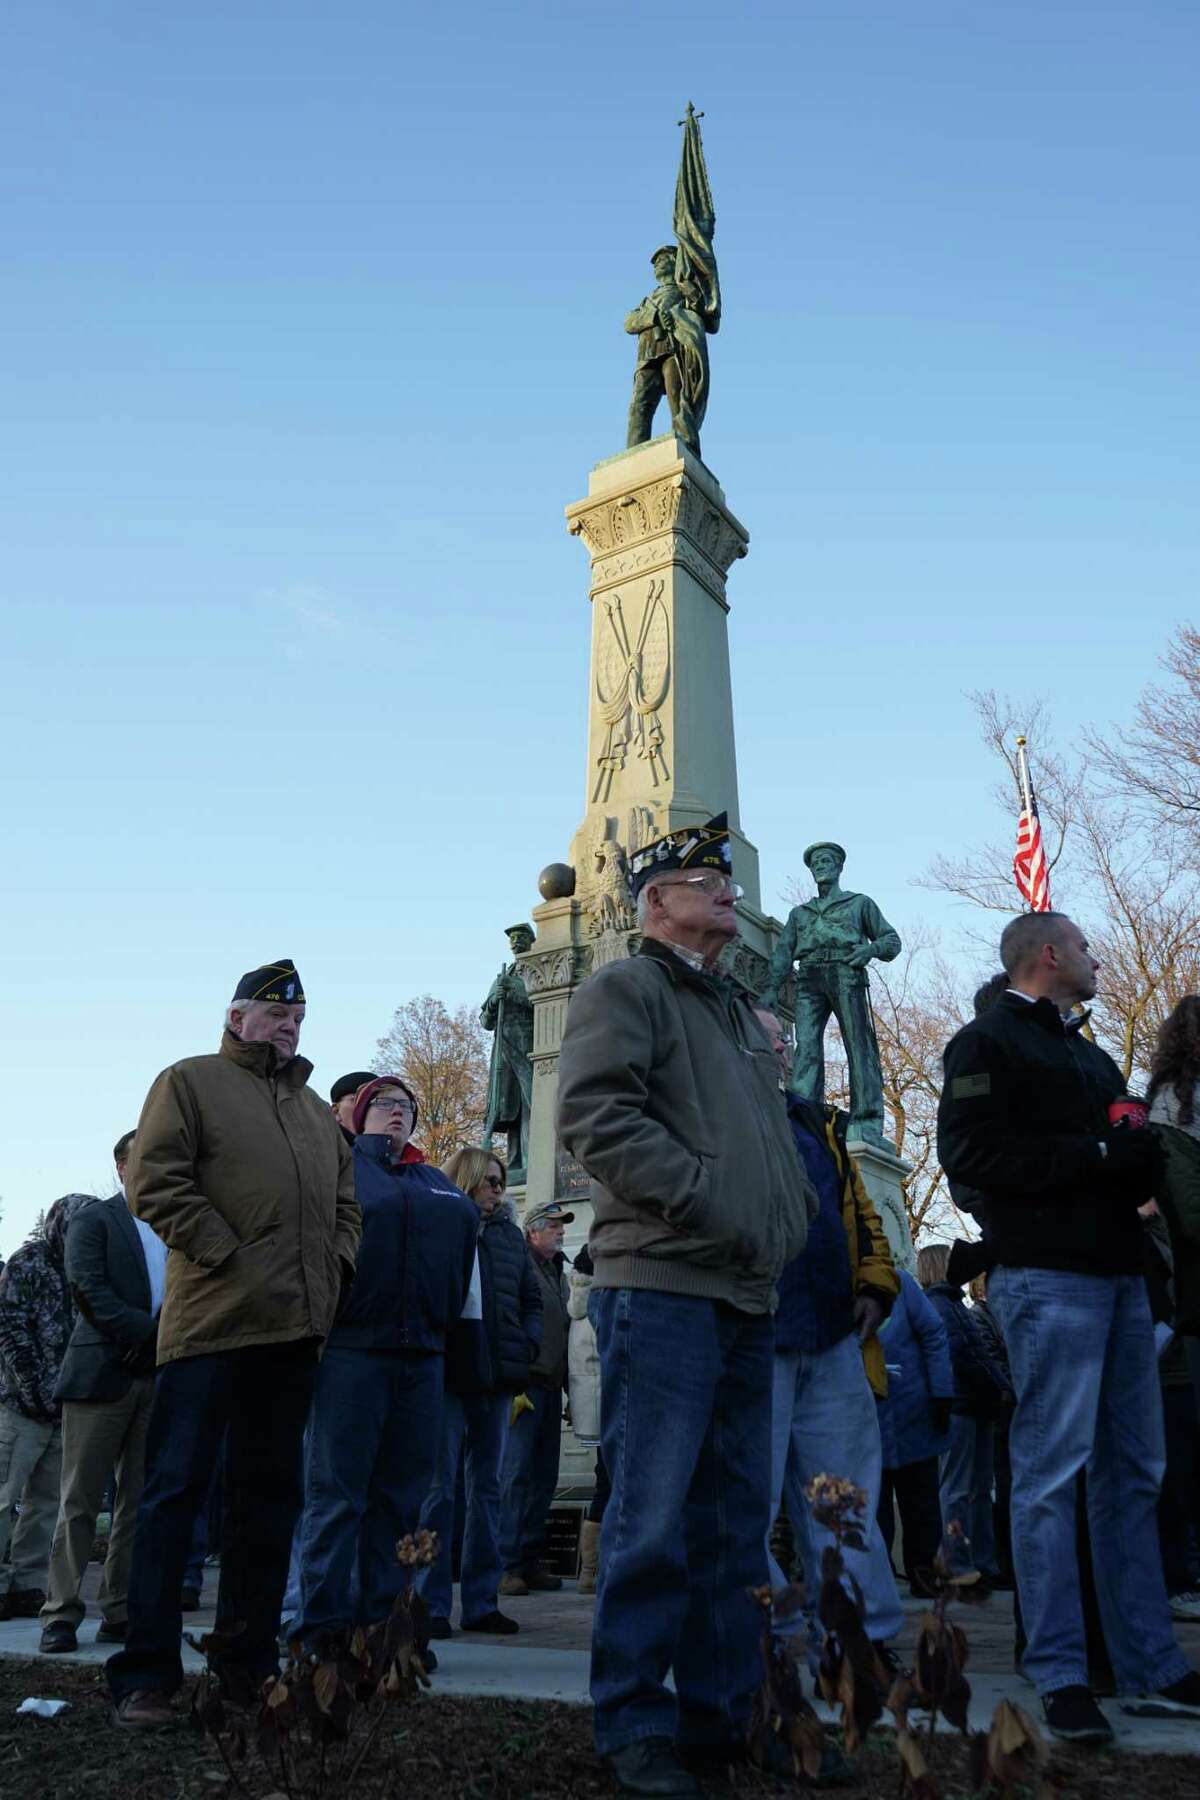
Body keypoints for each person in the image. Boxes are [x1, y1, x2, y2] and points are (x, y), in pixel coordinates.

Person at [556, 811, 816, 1798]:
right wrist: (710, 1198)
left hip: (746, 1291)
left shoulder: (737, 1013)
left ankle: (723, 1718)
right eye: (707, 879)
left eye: (726, 877)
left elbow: (768, 1149)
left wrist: (779, 1223)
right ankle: (633, 1722)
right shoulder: (626, 987)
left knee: (732, 1522)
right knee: (654, 1517)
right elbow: (593, 1116)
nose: (727, 891)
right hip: (661, 1283)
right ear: (656, 900)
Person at [938, 911, 1200, 1742]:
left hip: (1122, 1278)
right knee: (1051, 1477)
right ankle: (1060, 1671)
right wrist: (1091, 1158)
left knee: (1135, 1472)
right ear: (1048, 955)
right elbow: (970, 1161)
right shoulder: (985, 1044)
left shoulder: (1092, 1055)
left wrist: (1136, 1161)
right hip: (1047, 1277)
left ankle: (1151, 1665)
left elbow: (1124, 1149)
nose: (1097, 958)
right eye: (1087, 946)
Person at [106, 959, 360, 1728]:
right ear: (236, 1016)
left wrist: (337, 1266)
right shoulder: (188, 1082)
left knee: (268, 1506)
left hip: (292, 1334)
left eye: (299, 1018)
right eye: (275, 1014)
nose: (288, 1027)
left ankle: (245, 1674)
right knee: (175, 1495)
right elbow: (156, 1182)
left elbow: (347, 1208)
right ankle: (147, 1674)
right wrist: (227, 1253)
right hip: (211, 1327)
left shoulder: (320, 1114)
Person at [295, 1077, 477, 1641]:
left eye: (406, 1107)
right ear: (358, 1115)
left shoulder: (434, 1183)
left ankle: (385, 1627)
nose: (396, 1114)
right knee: (337, 1496)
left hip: (422, 1355)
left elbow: (465, 1254)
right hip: (352, 1351)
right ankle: (321, 1628)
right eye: (383, 1105)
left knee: (402, 1500)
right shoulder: (340, 1171)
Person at [752, 1007, 903, 1658]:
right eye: (771, 1037)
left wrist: (875, 1283)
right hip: (755, 1335)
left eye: (785, 1036)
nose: (786, 1045)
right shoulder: (720, 1113)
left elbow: (861, 1213)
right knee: (747, 1507)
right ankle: (773, 1640)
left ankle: (858, 1640)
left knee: (845, 1500)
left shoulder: (820, 1122)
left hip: (833, 1335)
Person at [38, 1133, 164, 1653]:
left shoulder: (177, 1227)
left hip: (157, 1378)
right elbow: (88, 1289)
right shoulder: (96, 1220)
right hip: (100, 1377)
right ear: (121, 1166)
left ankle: (119, 1609)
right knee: (80, 1501)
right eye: (147, 1157)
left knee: (139, 1503)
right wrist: (146, 1335)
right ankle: (60, 1614)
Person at [419, 1146, 542, 1638]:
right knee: (438, 1490)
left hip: (495, 1375)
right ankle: (428, 1601)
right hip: (449, 1370)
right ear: (467, 1180)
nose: (498, 1188)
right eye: (490, 1180)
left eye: (500, 1180)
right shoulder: (443, 1222)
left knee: (487, 1489)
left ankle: (480, 1601)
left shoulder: (511, 1237)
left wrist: (526, 1341)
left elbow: (531, 1297)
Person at [761, 842, 901, 1146]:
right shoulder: (800, 914)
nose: (821, 866)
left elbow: (891, 941)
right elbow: (784, 954)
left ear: (839, 867)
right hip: (809, 975)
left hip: (846, 971)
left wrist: (870, 950)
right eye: (816, 863)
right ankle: (803, 1119)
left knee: (859, 1046)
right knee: (807, 1048)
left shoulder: (859, 903)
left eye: (827, 861)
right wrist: (771, 989)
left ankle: (866, 1124)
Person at [0, 1194, 94, 1621]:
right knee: (4, 1498)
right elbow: (11, 1329)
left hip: (64, 1408)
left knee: (45, 1504)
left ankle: (26, 1584)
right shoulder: (27, 1263)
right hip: (18, 1407)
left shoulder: (86, 1267)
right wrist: (33, 1391)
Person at [915, 1243, 1012, 1584]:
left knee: (979, 1487)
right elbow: (966, 1356)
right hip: (961, 1405)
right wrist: (998, 1384)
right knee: (960, 1488)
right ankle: (961, 1563)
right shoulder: (942, 1308)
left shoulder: (951, 1305)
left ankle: (981, 1562)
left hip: (973, 1404)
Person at [498, 1200, 573, 1597]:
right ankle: (506, 1563)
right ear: (532, 1232)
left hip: (549, 1387)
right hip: (524, 1387)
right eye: (554, 1225)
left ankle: (529, 1558)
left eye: (562, 1226)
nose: (561, 1232)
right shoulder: (522, 1267)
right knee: (516, 1475)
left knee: (543, 1477)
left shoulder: (559, 1273)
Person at [875, 1269, 956, 1592]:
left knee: (921, 1501)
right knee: (874, 1504)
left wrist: (941, 1391)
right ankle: (879, 1578)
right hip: (869, 1413)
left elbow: (933, 1334)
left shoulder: (901, 1283)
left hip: (912, 1409)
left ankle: (925, 1574)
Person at [567, 1241, 605, 1597]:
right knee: (610, 1484)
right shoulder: (600, 1306)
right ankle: (593, 1571)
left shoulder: (578, 1309)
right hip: (611, 1411)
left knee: (603, 1483)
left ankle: (590, 1572)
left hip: (594, 1416)